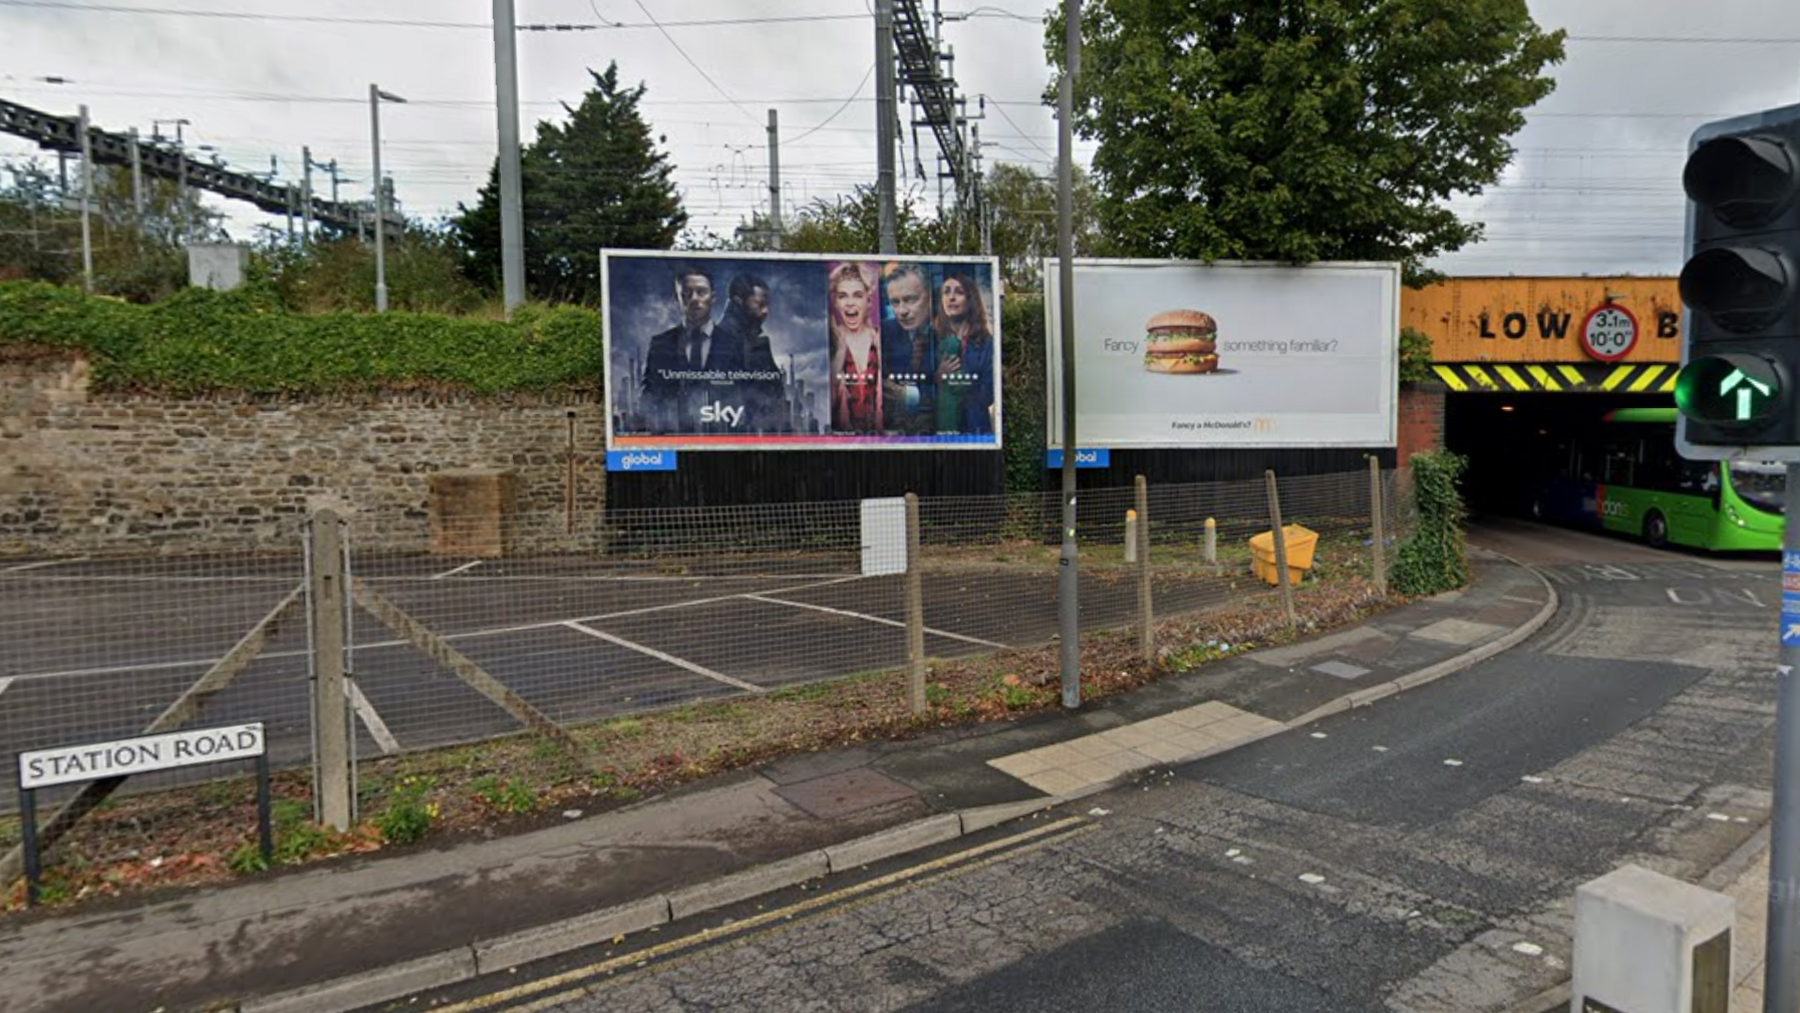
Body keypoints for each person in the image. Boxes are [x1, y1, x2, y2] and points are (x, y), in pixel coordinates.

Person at [639, 264, 720, 432]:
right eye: (687, 293)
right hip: (673, 431)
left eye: (701, 292)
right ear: (677, 298)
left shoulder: (735, 343)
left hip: (723, 430)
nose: (694, 299)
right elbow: (650, 394)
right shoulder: (660, 343)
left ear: (713, 297)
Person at [712, 272, 786, 432]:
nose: (766, 311)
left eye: (767, 304)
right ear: (739, 301)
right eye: (759, 304)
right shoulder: (727, 342)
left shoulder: (752, 340)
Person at [933, 270, 996, 435]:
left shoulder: (985, 342)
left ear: (970, 299)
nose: (951, 298)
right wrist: (938, 377)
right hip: (939, 432)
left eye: (959, 292)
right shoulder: (931, 339)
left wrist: (957, 383)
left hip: (975, 430)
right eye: (946, 292)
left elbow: (989, 393)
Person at [880, 262, 937, 434]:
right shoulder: (883, 333)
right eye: (895, 303)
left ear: (930, 297)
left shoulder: (949, 334)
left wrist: (907, 395)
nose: (902, 311)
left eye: (910, 300)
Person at [828, 261, 882, 433]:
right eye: (843, 296)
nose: (850, 303)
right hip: (841, 442)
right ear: (835, 302)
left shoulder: (879, 339)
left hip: (880, 442)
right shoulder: (830, 340)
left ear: (868, 299)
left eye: (857, 295)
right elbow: (824, 403)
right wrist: (840, 355)